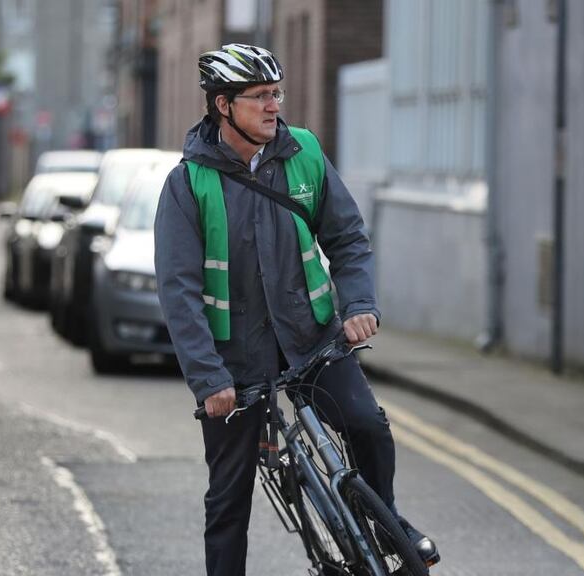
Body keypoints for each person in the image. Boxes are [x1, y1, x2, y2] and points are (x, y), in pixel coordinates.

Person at [154, 43, 439, 576]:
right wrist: (209, 379)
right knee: (228, 500)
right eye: (259, 96)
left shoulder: (304, 152)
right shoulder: (188, 185)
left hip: (312, 338)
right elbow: (179, 291)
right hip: (235, 364)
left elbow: (348, 239)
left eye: (276, 93)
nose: (273, 106)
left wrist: (357, 304)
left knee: (368, 426)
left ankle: (387, 524)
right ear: (222, 105)